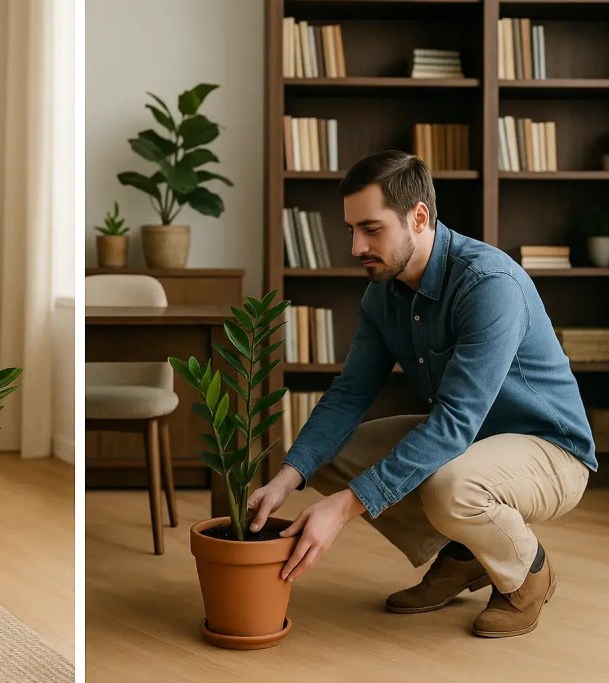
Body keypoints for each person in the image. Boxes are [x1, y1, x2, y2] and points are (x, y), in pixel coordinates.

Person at [247, 150, 595, 638]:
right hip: (469, 442)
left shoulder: (488, 284)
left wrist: (343, 508)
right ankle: (465, 553)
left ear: (418, 217)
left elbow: (454, 423)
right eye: (351, 230)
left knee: (451, 486)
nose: (356, 247)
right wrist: (287, 478)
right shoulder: (382, 291)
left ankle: (528, 574)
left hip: (550, 450)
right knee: (328, 456)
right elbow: (349, 394)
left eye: (371, 229)